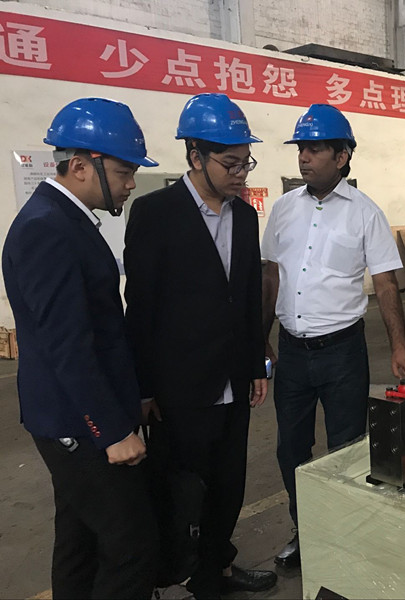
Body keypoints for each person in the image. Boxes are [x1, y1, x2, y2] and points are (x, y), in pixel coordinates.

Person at [1, 97, 159, 599]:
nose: (131, 184)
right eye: (124, 172)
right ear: (80, 165)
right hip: (77, 422)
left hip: (76, 414)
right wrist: (111, 431)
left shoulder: (65, 220)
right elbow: (67, 346)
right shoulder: (47, 229)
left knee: (80, 538)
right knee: (131, 545)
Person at [123, 93, 275, 600]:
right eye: (230, 163)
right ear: (195, 157)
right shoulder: (155, 213)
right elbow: (141, 308)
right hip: (180, 386)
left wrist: (255, 365)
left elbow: (247, 296)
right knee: (181, 488)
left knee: (229, 485)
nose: (240, 174)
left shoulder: (244, 217)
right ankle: (174, 578)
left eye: (246, 162)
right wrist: (144, 388)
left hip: (233, 379)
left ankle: (215, 574)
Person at [261, 103, 405, 568]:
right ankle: (306, 531)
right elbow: (270, 277)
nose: (304, 157)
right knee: (290, 449)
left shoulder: (365, 213)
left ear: (342, 156)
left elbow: (386, 283)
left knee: (347, 448)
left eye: (315, 149)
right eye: (301, 149)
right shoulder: (283, 210)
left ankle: (345, 535)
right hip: (292, 352)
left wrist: (400, 346)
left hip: (342, 353)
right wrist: (260, 337)